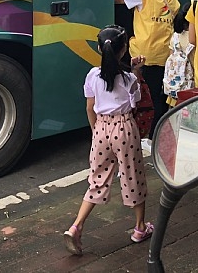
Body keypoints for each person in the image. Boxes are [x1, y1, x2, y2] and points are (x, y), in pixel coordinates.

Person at [63, 25, 152, 255]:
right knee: (133, 176)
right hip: (124, 128)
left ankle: (76, 226)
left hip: (101, 128)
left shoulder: (92, 75)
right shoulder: (129, 78)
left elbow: (89, 107)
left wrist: (96, 130)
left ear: (99, 48)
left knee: (97, 180)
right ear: (124, 50)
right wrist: (137, 70)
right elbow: (136, 102)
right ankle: (140, 228)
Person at [114, 0, 179, 137]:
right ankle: (160, 130)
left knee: (146, 96)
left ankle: (148, 132)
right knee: (160, 95)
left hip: (144, 55)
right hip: (165, 53)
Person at [162, 0, 195, 107]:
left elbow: (171, 56)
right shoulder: (196, 38)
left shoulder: (175, 36)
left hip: (175, 89)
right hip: (192, 88)